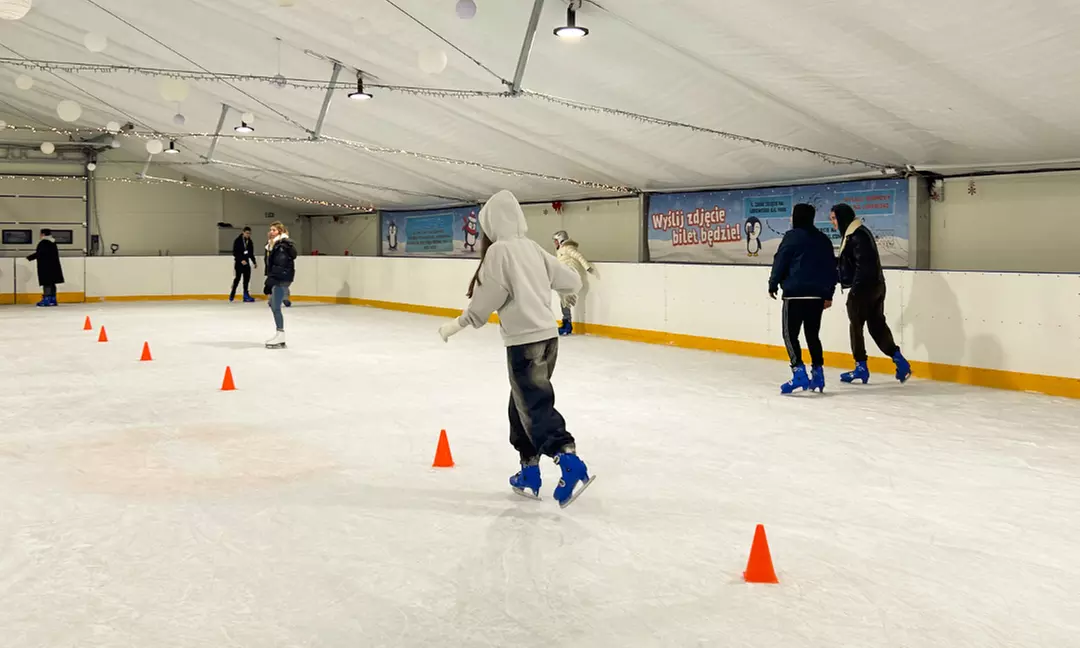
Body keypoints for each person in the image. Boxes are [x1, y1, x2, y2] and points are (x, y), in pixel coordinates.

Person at [437, 190, 594, 508]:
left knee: (534, 406)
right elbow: (571, 280)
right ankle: (529, 471)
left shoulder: (499, 253)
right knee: (520, 406)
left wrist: (458, 324)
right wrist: (565, 293)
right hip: (549, 340)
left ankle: (568, 459)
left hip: (524, 343)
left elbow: (485, 301)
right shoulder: (532, 248)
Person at [830, 203, 911, 384]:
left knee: (856, 327)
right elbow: (852, 263)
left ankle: (861, 367)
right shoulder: (857, 234)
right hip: (875, 286)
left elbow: (863, 265)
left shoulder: (857, 236)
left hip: (864, 288)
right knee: (876, 325)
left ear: (843, 218)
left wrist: (856, 292)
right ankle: (899, 360)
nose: (833, 222)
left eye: (834, 218)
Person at [768, 204, 837, 393]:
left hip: (795, 294)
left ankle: (799, 373)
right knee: (812, 335)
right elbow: (832, 268)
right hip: (816, 295)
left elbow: (781, 259)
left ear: (798, 217)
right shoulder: (823, 239)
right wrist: (828, 293)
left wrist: (773, 283)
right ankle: (818, 374)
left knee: (790, 335)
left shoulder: (792, 237)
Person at [552, 230, 594, 336]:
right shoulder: (561, 250)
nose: (555, 243)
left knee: (565, 300)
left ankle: (567, 324)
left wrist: (587, 267)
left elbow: (578, 256)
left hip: (570, 278)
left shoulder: (568, 248)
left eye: (556, 241)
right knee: (564, 300)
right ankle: (566, 322)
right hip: (564, 278)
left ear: (561, 240)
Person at [263, 221, 297, 349]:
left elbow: (279, 265)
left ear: (280, 232)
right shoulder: (274, 245)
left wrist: (270, 281)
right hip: (280, 278)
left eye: (274, 230)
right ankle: (280, 334)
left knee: (275, 306)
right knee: (273, 305)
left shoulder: (281, 246)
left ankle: (280, 334)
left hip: (281, 278)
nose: (271, 232)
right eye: (270, 229)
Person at [27, 228, 64, 307]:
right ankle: (53, 299)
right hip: (54, 266)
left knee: (46, 283)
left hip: (46, 266)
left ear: (43, 234)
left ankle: (46, 299)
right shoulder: (53, 242)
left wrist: (29, 258)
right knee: (52, 283)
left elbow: (40, 253)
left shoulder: (43, 243)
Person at [229, 227, 257, 303]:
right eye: (247, 233)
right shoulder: (238, 241)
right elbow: (235, 253)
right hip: (239, 263)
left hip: (247, 263)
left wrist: (254, 262)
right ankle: (232, 293)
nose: (248, 235)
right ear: (243, 232)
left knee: (246, 279)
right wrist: (241, 260)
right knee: (237, 278)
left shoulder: (250, 242)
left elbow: (251, 253)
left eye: (249, 233)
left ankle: (245, 295)